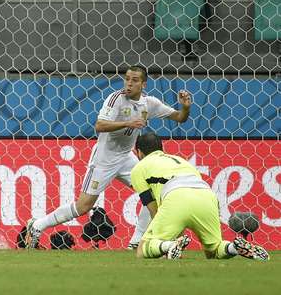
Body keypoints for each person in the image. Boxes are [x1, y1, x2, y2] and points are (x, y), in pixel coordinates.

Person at [25, 65, 193, 249]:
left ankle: (136, 242)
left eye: (134, 80)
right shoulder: (116, 99)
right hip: (104, 159)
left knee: (151, 194)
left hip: (126, 158)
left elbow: (179, 117)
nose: (129, 83)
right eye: (127, 78)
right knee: (83, 207)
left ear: (143, 84)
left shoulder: (149, 103)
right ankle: (37, 226)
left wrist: (185, 108)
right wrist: (128, 123)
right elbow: (99, 125)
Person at [131, 132, 268, 260]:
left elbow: (154, 210)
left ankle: (168, 246)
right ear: (161, 148)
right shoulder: (181, 161)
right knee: (213, 251)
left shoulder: (139, 167)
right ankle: (234, 247)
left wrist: (168, 240)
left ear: (139, 152)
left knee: (142, 249)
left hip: (176, 197)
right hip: (207, 196)